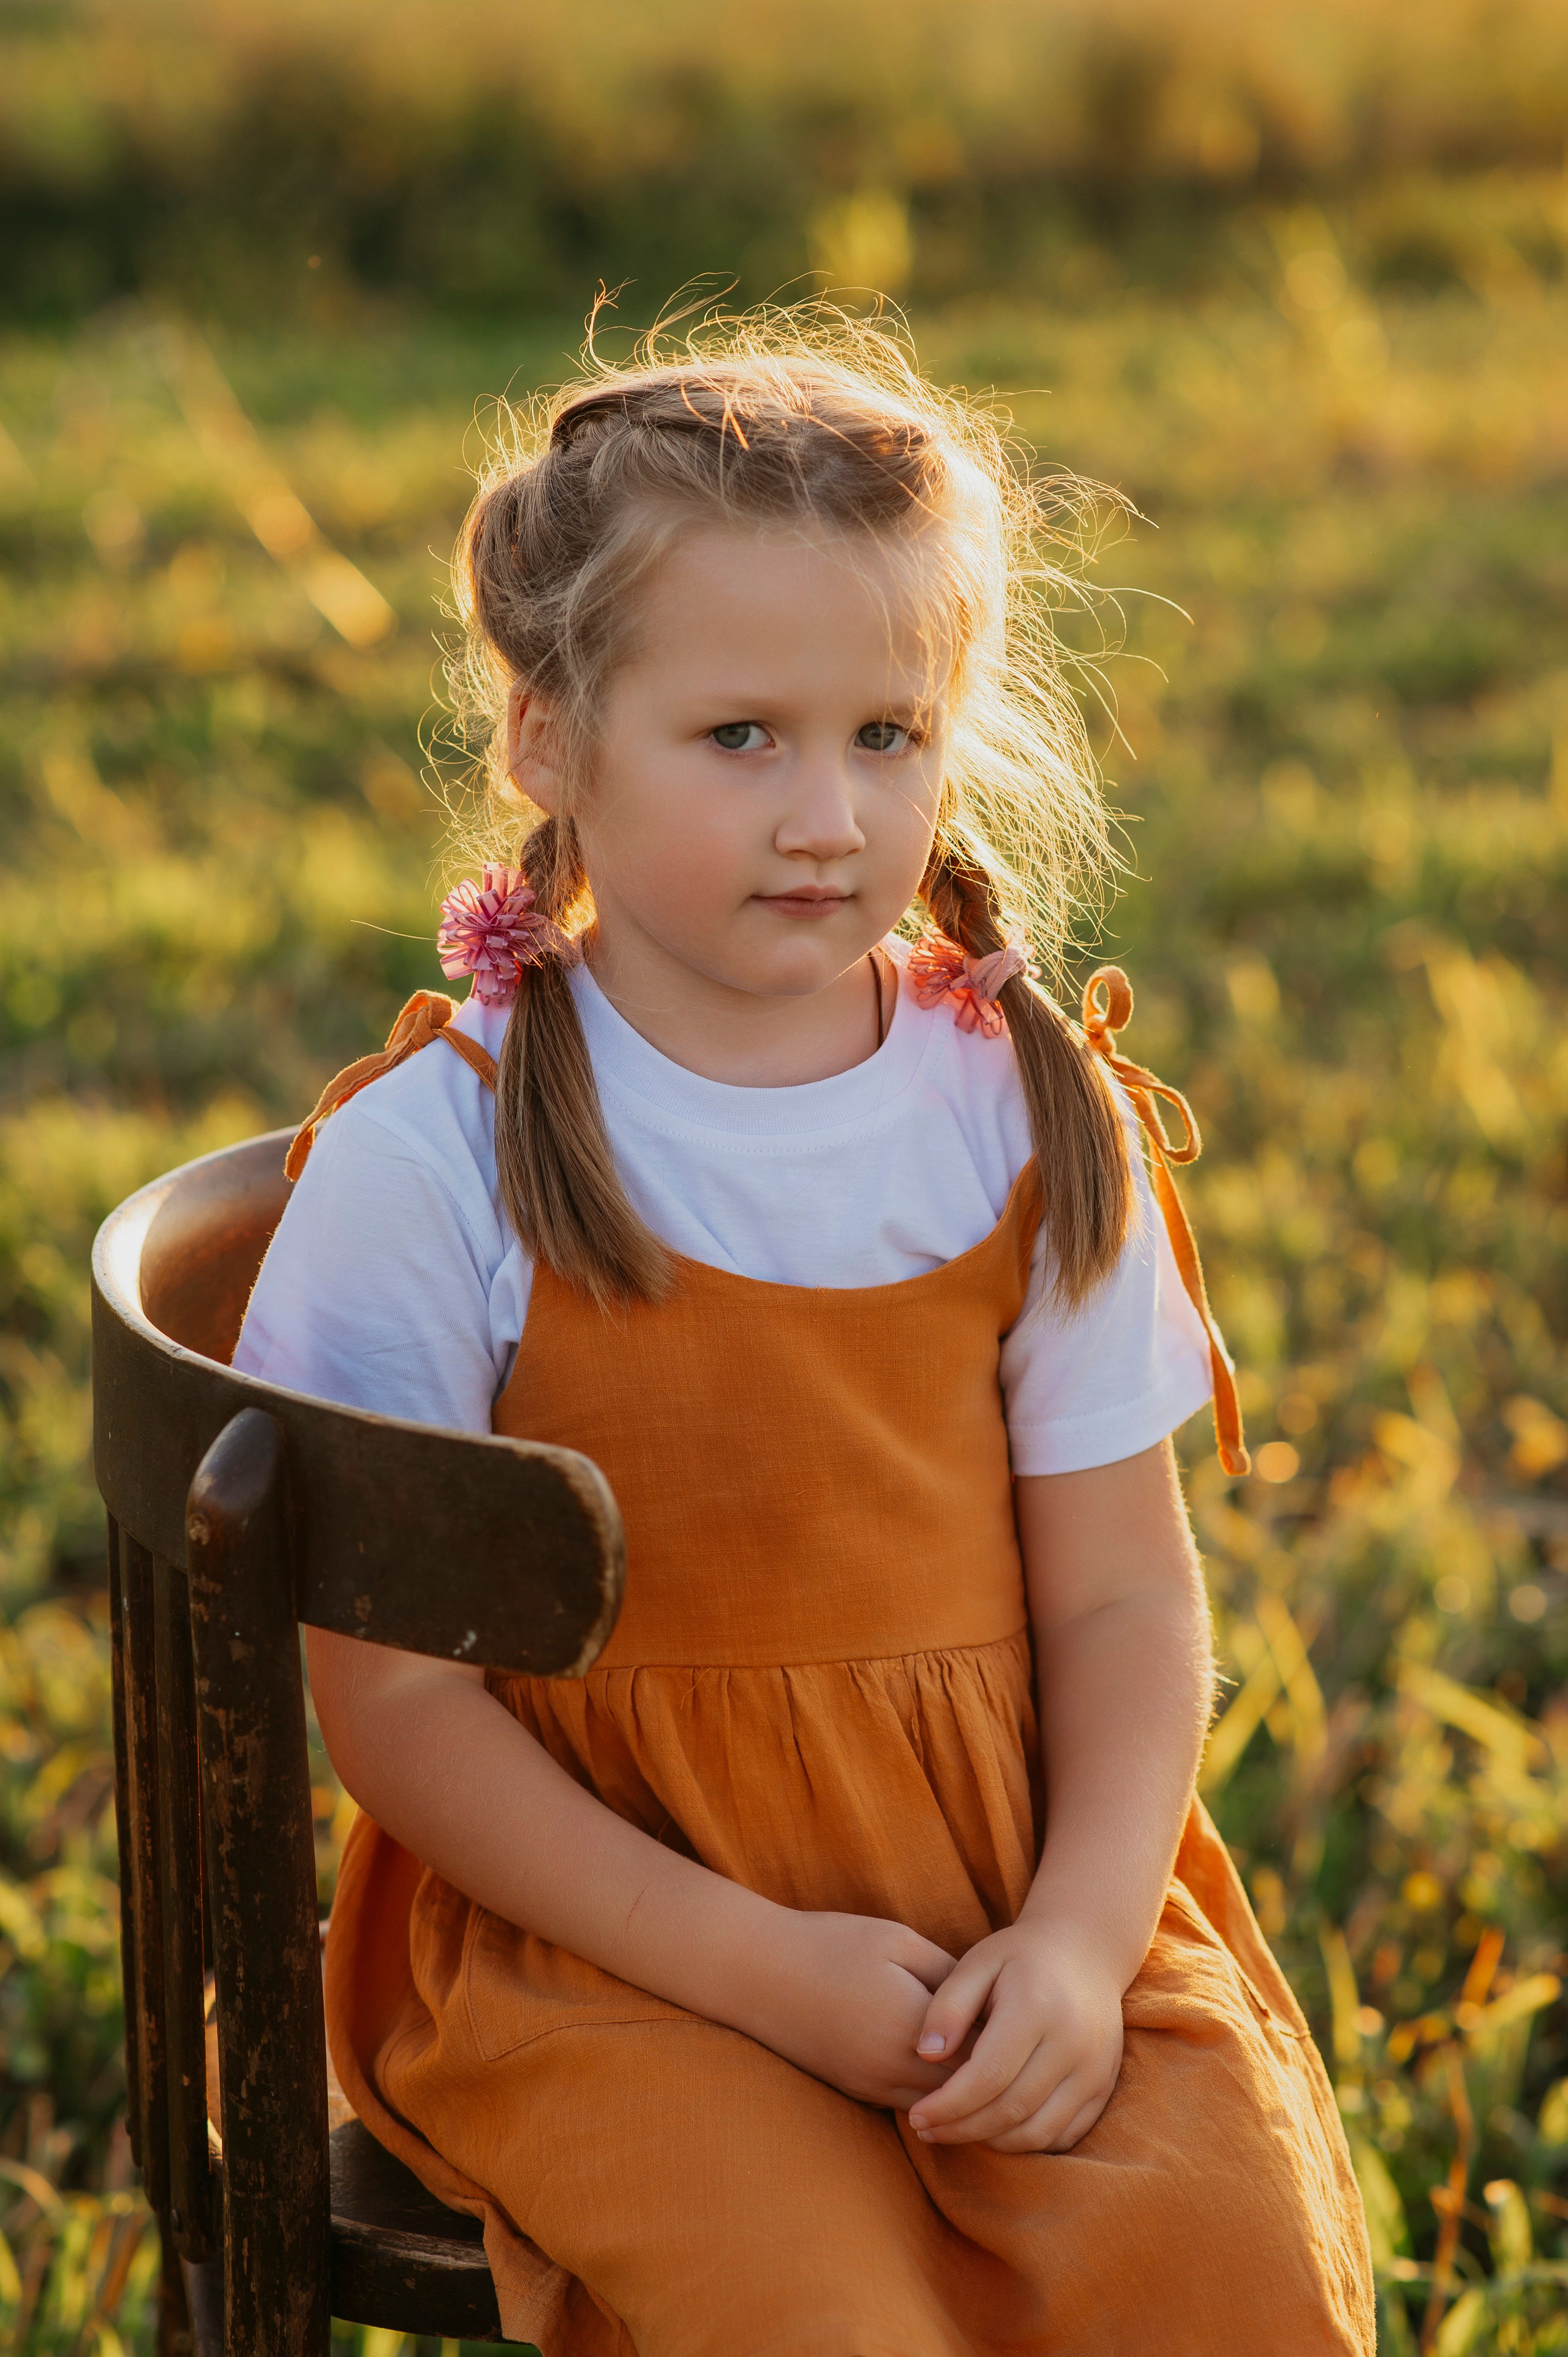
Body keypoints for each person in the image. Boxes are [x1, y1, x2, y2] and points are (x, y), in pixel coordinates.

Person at [234, 311, 1374, 2355]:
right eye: (739, 735)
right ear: (549, 739)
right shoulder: (442, 1158)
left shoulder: (1024, 1113)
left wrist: (1082, 1940)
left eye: (886, 733)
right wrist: (757, 1968)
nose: (829, 815)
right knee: (820, 2321)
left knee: (1234, 2273)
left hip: (1013, 1894)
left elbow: (1124, 1599)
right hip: (605, 1940)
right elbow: (395, 1710)